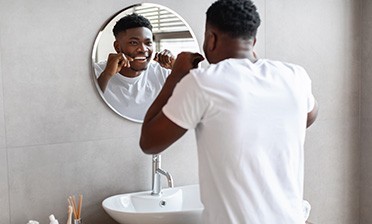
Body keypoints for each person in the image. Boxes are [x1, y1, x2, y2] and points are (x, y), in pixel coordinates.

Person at [140, 0, 319, 223]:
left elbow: (149, 142)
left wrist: (176, 76)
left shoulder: (203, 83)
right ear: (253, 39)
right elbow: (309, 116)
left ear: (211, 38)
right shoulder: (295, 76)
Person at [94, 13, 175, 121]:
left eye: (148, 43)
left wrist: (177, 67)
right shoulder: (96, 72)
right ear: (117, 47)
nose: (143, 49)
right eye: (133, 43)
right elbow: (83, 110)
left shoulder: (163, 72)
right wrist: (107, 75)